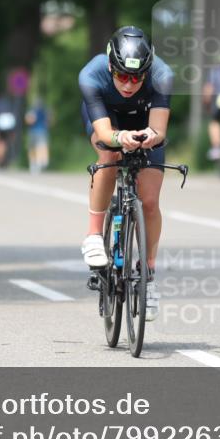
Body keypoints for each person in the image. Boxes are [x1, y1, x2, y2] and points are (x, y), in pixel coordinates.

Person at [79, 26, 173, 321]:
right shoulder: (91, 75)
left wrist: (148, 135)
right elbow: (105, 132)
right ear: (110, 66)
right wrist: (121, 138)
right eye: (121, 75)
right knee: (109, 153)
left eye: (136, 77)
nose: (129, 84)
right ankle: (94, 234)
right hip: (109, 118)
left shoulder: (162, 76)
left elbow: (159, 129)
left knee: (150, 201)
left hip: (145, 121)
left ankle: (148, 273)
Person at [25, 99, 50, 174]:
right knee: (42, 146)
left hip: (34, 131)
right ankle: (41, 162)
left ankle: (34, 163)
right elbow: (48, 121)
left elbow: (29, 120)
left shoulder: (32, 111)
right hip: (42, 130)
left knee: (33, 147)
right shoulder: (45, 111)